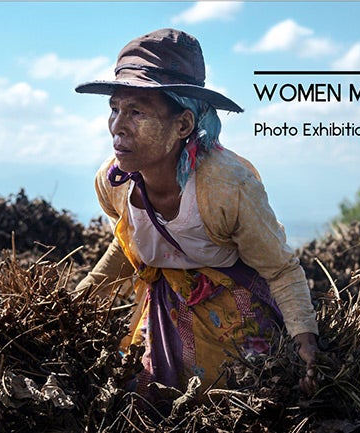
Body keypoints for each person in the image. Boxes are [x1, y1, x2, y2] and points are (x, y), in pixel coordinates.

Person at [74, 28, 318, 395]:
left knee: (231, 399)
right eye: (115, 109)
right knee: (141, 399)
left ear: (183, 125)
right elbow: (129, 248)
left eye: (136, 111)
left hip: (235, 319)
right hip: (163, 314)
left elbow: (279, 268)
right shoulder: (114, 184)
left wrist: (305, 340)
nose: (118, 126)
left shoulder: (225, 188)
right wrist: (74, 304)